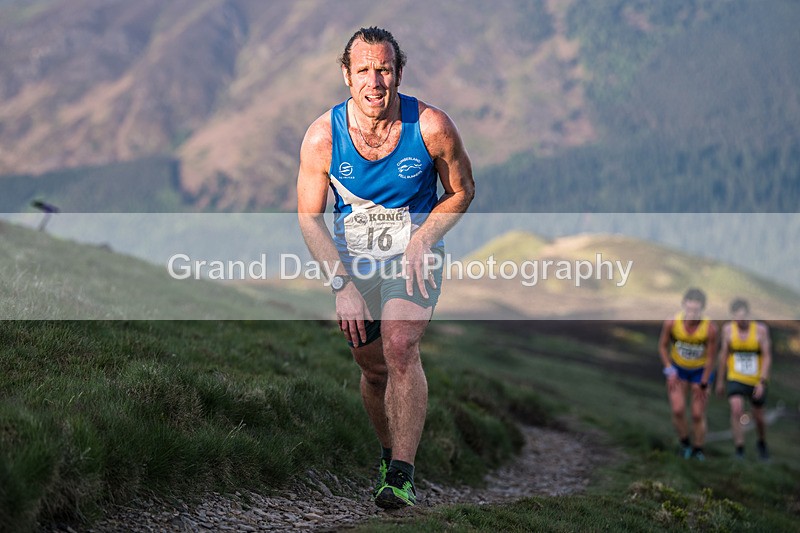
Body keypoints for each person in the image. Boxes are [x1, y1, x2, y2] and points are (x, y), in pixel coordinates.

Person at [296, 27, 474, 509]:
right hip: (353, 265)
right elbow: (309, 218)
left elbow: (462, 191)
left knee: (399, 345)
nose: (374, 82)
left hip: (414, 258)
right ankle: (387, 453)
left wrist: (424, 238)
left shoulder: (431, 127)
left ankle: (401, 475)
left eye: (384, 70)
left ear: (398, 73)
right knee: (374, 371)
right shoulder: (322, 137)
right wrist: (342, 285)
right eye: (363, 71)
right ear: (346, 75)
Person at [657, 288, 718, 460]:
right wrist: (669, 370)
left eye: (696, 310)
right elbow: (662, 347)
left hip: (700, 371)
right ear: (684, 305)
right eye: (690, 309)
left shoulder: (710, 329)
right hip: (678, 369)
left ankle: (698, 449)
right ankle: (685, 444)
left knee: (697, 414)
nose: (692, 314)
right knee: (678, 410)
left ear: (702, 309)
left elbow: (711, 358)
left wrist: (704, 382)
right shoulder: (671, 323)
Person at [715, 299, 772, 461]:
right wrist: (720, 381)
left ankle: (762, 443)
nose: (741, 321)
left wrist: (762, 381)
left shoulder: (761, 330)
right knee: (736, 409)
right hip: (736, 377)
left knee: (758, 417)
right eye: (737, 317)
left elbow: (767, 356)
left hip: (756, 379)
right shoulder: (728, 330)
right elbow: (723, 355)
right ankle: (739, 449)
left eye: (744, 317)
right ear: (733, 316)